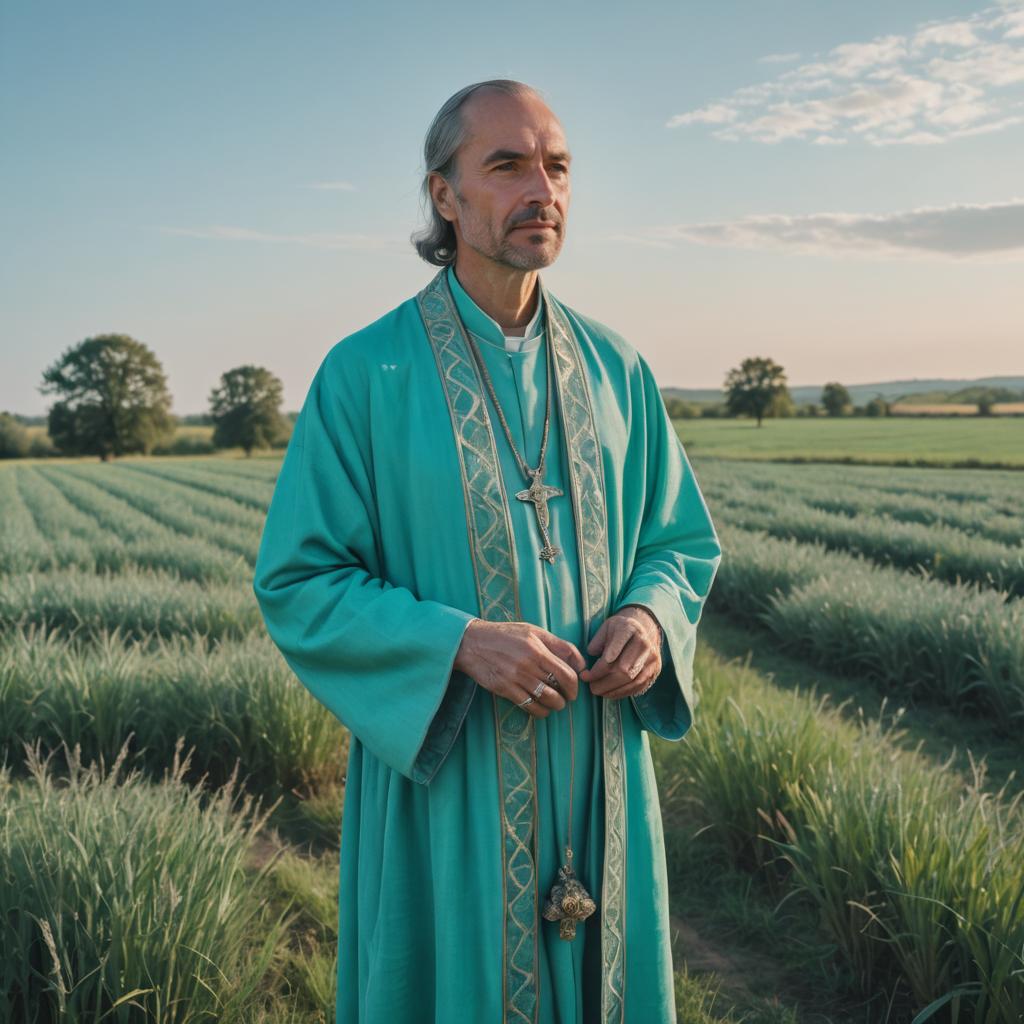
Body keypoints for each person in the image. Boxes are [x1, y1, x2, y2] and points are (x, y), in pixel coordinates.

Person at [253, 78, 722, 1024]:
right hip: (450, 782)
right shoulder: (363, 374)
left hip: (600, 766)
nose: (539, 187)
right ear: (444, 195)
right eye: (505, 164)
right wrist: (459, 643)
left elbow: (678, 543)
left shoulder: (618, 368)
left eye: (555, 165)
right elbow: (300, 581)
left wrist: (650, 618)